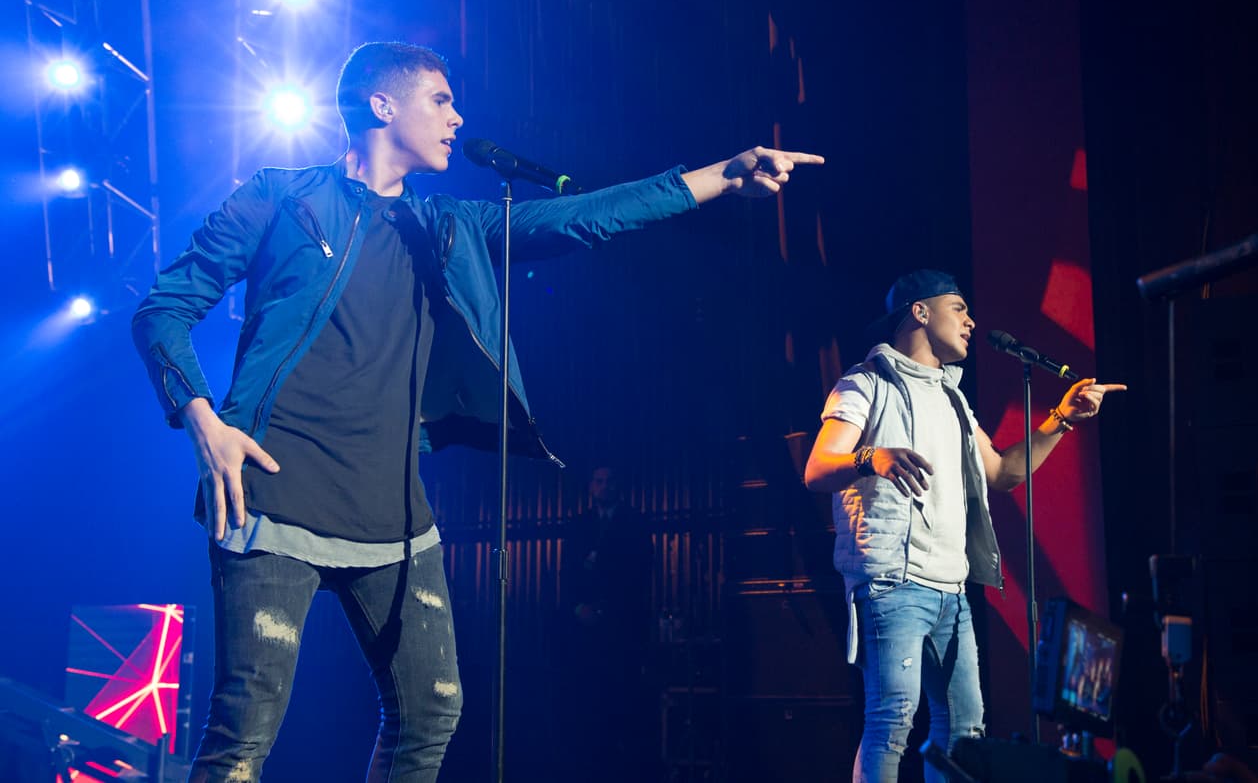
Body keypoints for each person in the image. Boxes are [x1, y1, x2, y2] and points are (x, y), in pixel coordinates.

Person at [131, 41, 822, 782]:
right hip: (271, 495)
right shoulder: (283, 197)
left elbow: (584, 217)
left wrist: (720, 176)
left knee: (431, 713)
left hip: (394, 515)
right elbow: (164, 308)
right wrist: (202, 418)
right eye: (441, 100)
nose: (458, 119)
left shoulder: (448, 226)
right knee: (244, 732)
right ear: (381, 105)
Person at [802, 269, 1124, 783]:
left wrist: (1060, 419)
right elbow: (817, 469)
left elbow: (1003, 472)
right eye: (959, 308)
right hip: (892, 580)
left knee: (965, 730)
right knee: (892, 723)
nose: (972, 321)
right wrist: (872, 456)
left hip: (951, 588)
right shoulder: (866, 382)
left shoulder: (953, 399)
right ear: (920, 312)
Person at [558, 466, 655, 782]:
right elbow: (566, 574)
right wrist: (577, 608)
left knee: (622, 704)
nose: (604, 486)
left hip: (622, 630)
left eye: (610, 481)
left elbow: (640, 576)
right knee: (588, 707)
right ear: (591, 487)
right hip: (584, 635)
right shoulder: (578, 525)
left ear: (619, 486)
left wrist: (608, 609)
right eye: (599, 481)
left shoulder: (636, 524)